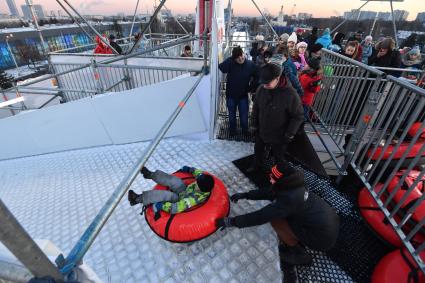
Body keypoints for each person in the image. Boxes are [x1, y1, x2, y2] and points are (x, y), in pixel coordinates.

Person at [216, 162, 340, 265]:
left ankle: (300, 254)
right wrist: (246, 195)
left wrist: (232, 221)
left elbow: (261, 216)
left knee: (276, 220)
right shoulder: (295, 184)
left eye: (272, 177)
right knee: (284, 214)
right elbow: (270, 192)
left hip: (321, 238)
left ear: (280, 180)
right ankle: (298, 236)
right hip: (325, 224)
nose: (269, 178)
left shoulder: (289, 199)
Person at [248, 61, 304, 172]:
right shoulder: (261, 89)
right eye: (263, 82)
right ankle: (256, 166)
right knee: (258, 150)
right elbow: (256, 108)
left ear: (278, 78)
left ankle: (276, 177)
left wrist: (289, 134)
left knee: (278, 158)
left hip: (280, 134)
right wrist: (253, 124)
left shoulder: (291, 94)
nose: (264, 85)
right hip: (262, 130)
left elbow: (298, 116)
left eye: (267, 82)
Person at [128, 166, 214, 218]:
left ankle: (137, 199)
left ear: (200, 189)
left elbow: (177, 208)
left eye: (197, 184)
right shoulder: (202, 180)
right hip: (185, 190)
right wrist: (189, 169)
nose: (196, 181)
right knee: (175, 181)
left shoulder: (195, 199)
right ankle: (150, 174)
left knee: (165, 195)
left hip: (181, 199)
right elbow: (199, 173)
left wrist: (162, 205)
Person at [219, 46, 258, 136]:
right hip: (230, 95)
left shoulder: (250, 64)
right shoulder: (231, 63)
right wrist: (231, 59)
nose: (240, 58)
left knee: (244, 115)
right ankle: (232, 131)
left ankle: (245, 131)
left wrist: (251, 87)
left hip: (243, 95)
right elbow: (221, 67)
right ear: (234, 58)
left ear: (243, 54)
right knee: (231, 115)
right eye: (237, 57)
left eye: (241, 55)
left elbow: (257, 75)